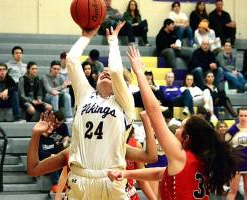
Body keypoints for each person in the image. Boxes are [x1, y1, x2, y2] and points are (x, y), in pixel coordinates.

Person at [27, 23, 158, 199]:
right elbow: (72, 60)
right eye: (102, 72)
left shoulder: (123, 102)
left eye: (109, 73)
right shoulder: (85, 96)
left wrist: (113, 42)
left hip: (111, 179)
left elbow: (116, 71)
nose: (106, 73)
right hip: (79, 180)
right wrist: (86, 36)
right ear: (94, 81)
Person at [108, 45, 238, 199]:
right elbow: (159, 173)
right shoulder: (196, 159)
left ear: (187, 138)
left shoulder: (180, 155)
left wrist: (139, 73)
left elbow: (154, 112)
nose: (177, 128)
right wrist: (125, 173)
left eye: (182, 126)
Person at [37, 111, 69, 193]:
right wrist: (51, 155)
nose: (53, 128)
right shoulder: (38, 138)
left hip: (51, 158)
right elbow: (39, 153)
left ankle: (65, 183)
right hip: (41, 161)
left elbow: (57, 149)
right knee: (53, 161)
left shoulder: (52, 139)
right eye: (50, 127)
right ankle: (56, 183)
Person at [225, 108, 247, 200]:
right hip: (236, 163)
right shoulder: (232, 130)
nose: (243, 118)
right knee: (233, 190)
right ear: (238, 116)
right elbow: (225, 145)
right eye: (241, 115)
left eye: (245, 116)